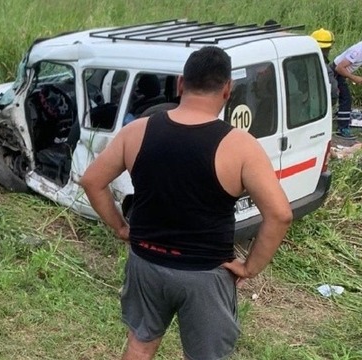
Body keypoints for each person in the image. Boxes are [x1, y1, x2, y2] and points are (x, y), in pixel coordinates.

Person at [80, 46, 292, 359]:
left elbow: (91, 181)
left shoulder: (137, 131)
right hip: (206, 273)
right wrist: (249, 268)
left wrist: (121, 227)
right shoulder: (240, 146)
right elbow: (280, 215)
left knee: (139, 347)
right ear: (227, 90)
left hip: (146, 262)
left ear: (181, 83)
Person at [332, 37, 362, 139]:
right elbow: (339, 67)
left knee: (344, 98)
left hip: (341, 74)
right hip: (336, 73)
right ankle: (343, 129)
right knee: (346, 99)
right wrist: (354, 78)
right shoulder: (357, 52)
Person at [311, 28, 339, 113]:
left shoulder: (298, 62)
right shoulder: (325, 68)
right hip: (319, 109)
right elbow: (333, 93)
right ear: (329, 47)